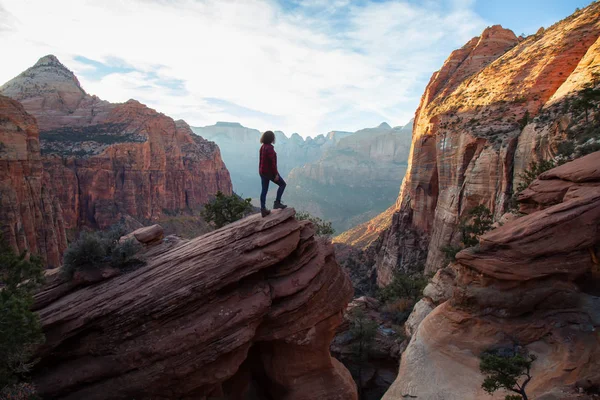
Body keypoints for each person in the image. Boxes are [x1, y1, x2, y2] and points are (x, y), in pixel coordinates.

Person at [259, 130, 287, 217]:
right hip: (269, 172)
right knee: (282, 184)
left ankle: (263, 209)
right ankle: (277, 203)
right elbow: (272, 163)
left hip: (262, 172)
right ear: (271, 138)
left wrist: (261, 171)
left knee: (264, 190)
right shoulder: (270, 148)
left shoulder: (262, 147)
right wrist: (276, 174)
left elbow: (261, 161)